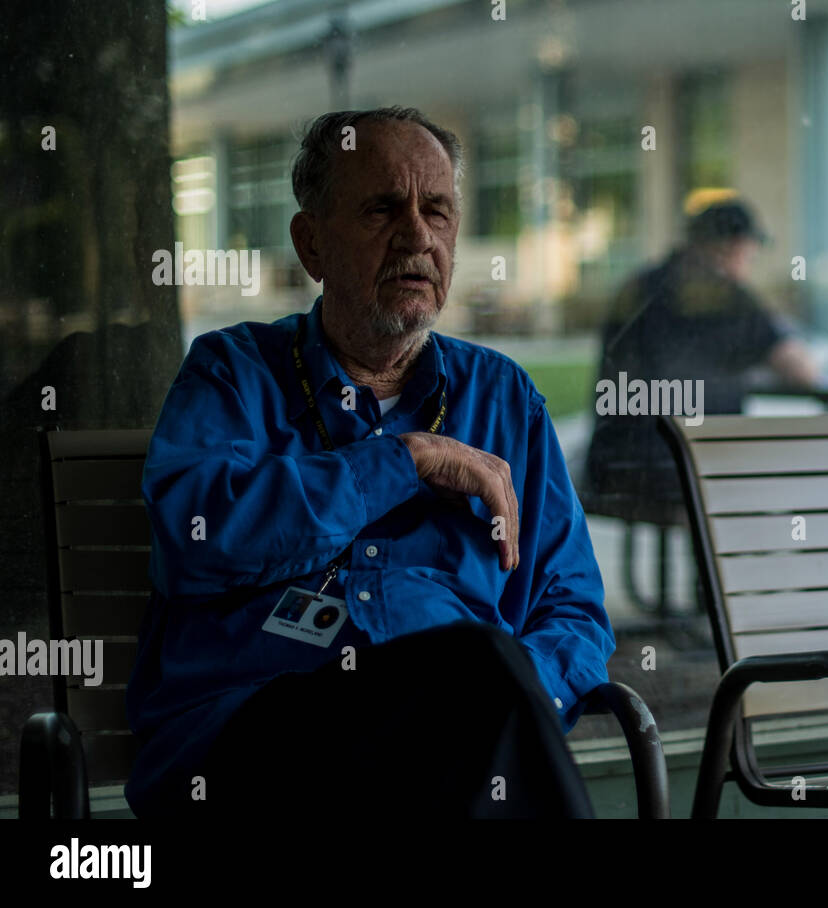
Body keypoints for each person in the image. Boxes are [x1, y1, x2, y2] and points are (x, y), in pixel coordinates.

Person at [125, 106, 615, 818]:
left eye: (438, 211)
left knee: (478, 677)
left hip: (454, 749)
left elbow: (571, 610)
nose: (417, 235)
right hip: (252, 740)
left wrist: (509, 698)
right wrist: (402, 461)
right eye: (383, 209)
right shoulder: (232, 373)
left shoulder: (504, 399)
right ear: (311, 242)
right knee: (475, 666)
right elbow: (193, 538)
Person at [583, 197, 819, 508]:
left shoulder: (638, 286)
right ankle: (736, 556)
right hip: (690, 469)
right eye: (749, 255)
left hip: (612, 469)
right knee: (801, 468)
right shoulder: (725, 296)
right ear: (734, 247)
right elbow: (803, 372)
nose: (748, 265)